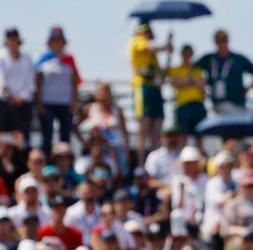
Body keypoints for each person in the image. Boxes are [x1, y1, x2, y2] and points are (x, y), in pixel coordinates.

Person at [33, 26, 81, 156]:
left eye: (59, 40)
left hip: (65, 102)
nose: (57, 43)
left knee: (65, 136)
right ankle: (47, 161)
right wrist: (39, 103)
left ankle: (65, 164)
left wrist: (74, 101)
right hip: (48, 102)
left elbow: (75, 81)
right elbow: (37, 81)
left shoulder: (69, 59)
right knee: (47, 135)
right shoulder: (43, 59)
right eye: (54, 40)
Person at [128, 23, 171, 163]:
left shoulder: (153, 56)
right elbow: (149, 46)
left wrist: (169, 56)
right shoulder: (136, 42)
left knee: (157, 129)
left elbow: (161, 76)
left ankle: (155, 162)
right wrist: (165, 47)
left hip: (154, 89)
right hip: (142, 88)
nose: (146, 35)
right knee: (143, 128)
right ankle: (141, 163)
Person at [194, 29, 253, 112]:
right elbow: (192, 69)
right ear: (215, 42)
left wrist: (248, 88)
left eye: (224, 39)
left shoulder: (238, 58)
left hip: (239, 103)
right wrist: (201, 82)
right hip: (219, 104)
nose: (222, 43)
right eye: (219, 40)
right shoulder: (208, 58)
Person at [74, 82, 130, 177]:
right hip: (97, 147)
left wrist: (126, 150)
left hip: (116, 148)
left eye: (106, 91)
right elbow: (75, 126)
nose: (104, 94)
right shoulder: (90, 108)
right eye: (101, 91)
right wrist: (85, 143)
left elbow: (124, 131)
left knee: (118, 170)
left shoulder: (117, 110)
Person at [164, 44, 207, 144]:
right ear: (181, 55)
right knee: (183, 135)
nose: (187, 56)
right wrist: (192, 81)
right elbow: (176, 82)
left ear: (192, 54)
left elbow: (202, 85)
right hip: (183, 105)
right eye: (185, 54)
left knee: (200, 135)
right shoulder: (176, 69)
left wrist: (187, 81)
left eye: (189, 53)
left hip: (198, 105)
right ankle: (183, 156)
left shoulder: (198, 69)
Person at [0, 28, 35, 145]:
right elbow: (2, 79)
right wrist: (9, 97)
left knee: (23, 138)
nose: (13, 41)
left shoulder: (27, 58)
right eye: (10, 38)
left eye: (15, 38)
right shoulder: (1, 57)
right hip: (5, 103)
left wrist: (23, 97)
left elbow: (30, 80)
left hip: (24, 104)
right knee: (4, 136)